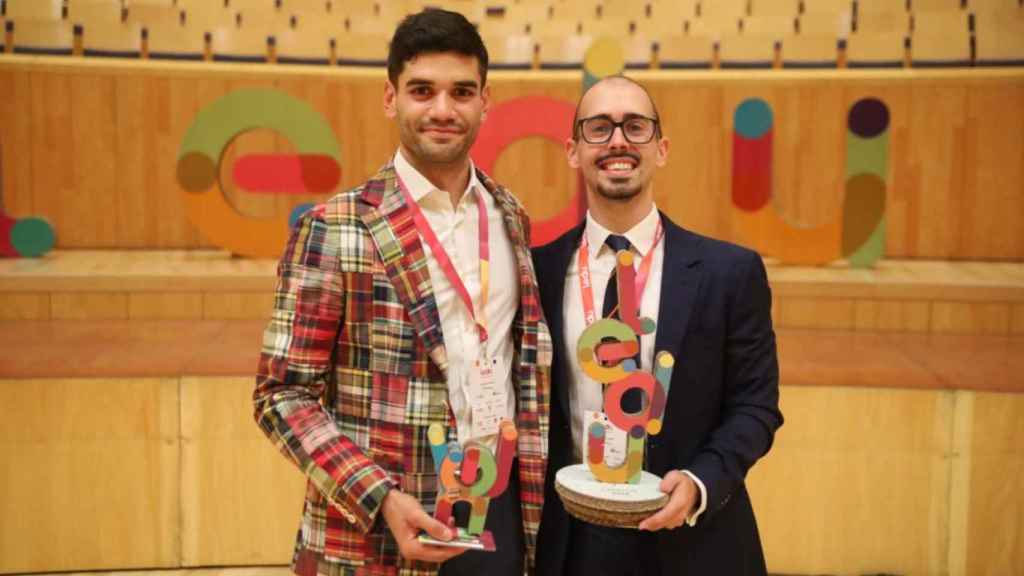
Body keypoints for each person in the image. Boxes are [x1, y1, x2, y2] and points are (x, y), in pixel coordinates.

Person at [254, 9, 551, 576]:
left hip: (500, 515)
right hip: (379, 534)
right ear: (391, 98)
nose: (443, 109)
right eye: (423, 91)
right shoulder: (335, 226)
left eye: (461, 92)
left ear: (485, 101)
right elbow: (281, 395)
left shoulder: (511, 216)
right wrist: (380, 497)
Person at [532, 76, 783, 576]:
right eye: (599, 128)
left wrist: (699, 481)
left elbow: (756, 407)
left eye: (636, 126)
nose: (618, 141)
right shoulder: (535, 272)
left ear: (661, 149)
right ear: (573, 151)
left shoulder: (730, 273)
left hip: (693, 540)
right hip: (569, 546)